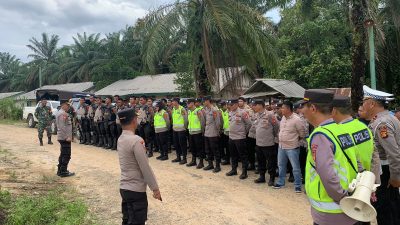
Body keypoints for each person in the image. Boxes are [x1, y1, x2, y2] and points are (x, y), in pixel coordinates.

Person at [301, 89, 359, 225]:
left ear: (313, 108)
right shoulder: (342, 129)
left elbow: (326, 174)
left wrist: (342, 198)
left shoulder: (320, 135)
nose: (302, 110)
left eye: (304, 106)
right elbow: (358, 162)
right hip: (349, 202)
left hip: (332, 210)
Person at [362, 85, 400, 225]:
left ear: (371, 103)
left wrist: (396, 177)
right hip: (387, 171)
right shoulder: (386, 118)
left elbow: (394, 154)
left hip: (385, 173)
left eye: (364, 101)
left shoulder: (382, 123)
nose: (362, 105)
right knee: (392, 209)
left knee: (385, 212)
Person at [117, 108, 162, 225]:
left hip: (125, 188)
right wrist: (155, 189)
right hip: (136, 190)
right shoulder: (136, 140)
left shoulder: (121, 138)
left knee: (127, 220)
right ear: (133, 120)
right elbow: (145, 167)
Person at [273, 101, 306, 193]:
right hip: (281, 146)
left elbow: (302, 133)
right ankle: (281, 182)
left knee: (295, 167)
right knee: (281, 165)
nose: (281, 109)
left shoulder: (297, 119)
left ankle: (298, 185)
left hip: (292, 147)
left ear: (288, 109)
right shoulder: (283, 117)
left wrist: (294, 140)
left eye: (283, 108)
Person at [253, 99, 279, 186]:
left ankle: (271, 178)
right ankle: (262, 177)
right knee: (261, 161)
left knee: (271, 162)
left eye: (255, 104)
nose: (253, 106)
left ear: (260, 105)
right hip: (258, 143)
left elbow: (276, 127)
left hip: (268, 143)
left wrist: (273, 137)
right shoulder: (256, 115)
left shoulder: (270, 115)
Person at [226, 99, 252, 179]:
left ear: (236, 104)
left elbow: (249, 124)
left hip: (240, 137)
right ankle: (234, 169)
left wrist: (243, 132)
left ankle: (244, 172)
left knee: (243, 155)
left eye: (232, 105)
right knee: (233, 154)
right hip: (231, 137)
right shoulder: (230, 112)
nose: (230, 106)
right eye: (229, 105)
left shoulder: (243, 112)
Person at [201, 96, 222, 172]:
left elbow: (218, 122)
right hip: (207, 132)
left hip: (213, 133)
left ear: (208, 101)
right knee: (208, 150)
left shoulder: (214, 110)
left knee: (215, 150)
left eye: (204, 101)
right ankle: (210, 164)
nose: (203, 102)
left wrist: (218, 131)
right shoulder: (206, 109)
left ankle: (217, 166)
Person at [56, 99, 75, 177]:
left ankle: (60, 170)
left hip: (63, 137)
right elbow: (62, 126)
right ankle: (63, 171)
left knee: (63, 153)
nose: (68, 106)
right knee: (66, 154)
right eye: (67, 105)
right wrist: (67, 137)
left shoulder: (62, 113)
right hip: (64, 137)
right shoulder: (62, 114)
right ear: (63, 105)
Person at [187, 98, 205, 168]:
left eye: (189, 103)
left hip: (197, 132)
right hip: (191, 132)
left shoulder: (198, 111)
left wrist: (202, 131)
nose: (187, 104)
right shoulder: (189, 111)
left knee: (199, 148)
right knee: (192, 147)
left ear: (192, 103)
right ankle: (193, 161)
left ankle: (201, 162)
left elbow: (202, 122)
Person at [171, 98, 188, 164]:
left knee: (182, 144)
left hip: (181, 129)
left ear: (177, 102)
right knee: (176, 144)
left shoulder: (182, 109)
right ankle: (178, 157)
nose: (172, 102)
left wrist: (185, 127)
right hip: (175, 129)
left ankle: (184, 158)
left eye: (173, 101)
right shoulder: (173, 109)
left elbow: (185, 119)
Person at [220, 101, 230, 165]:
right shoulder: (220, 111)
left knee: (228, 147)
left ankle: (228, 159)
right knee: (224, 146)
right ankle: (225, 158)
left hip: (229, 132)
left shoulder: (229, 112)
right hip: (223, 131)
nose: (225, 106)